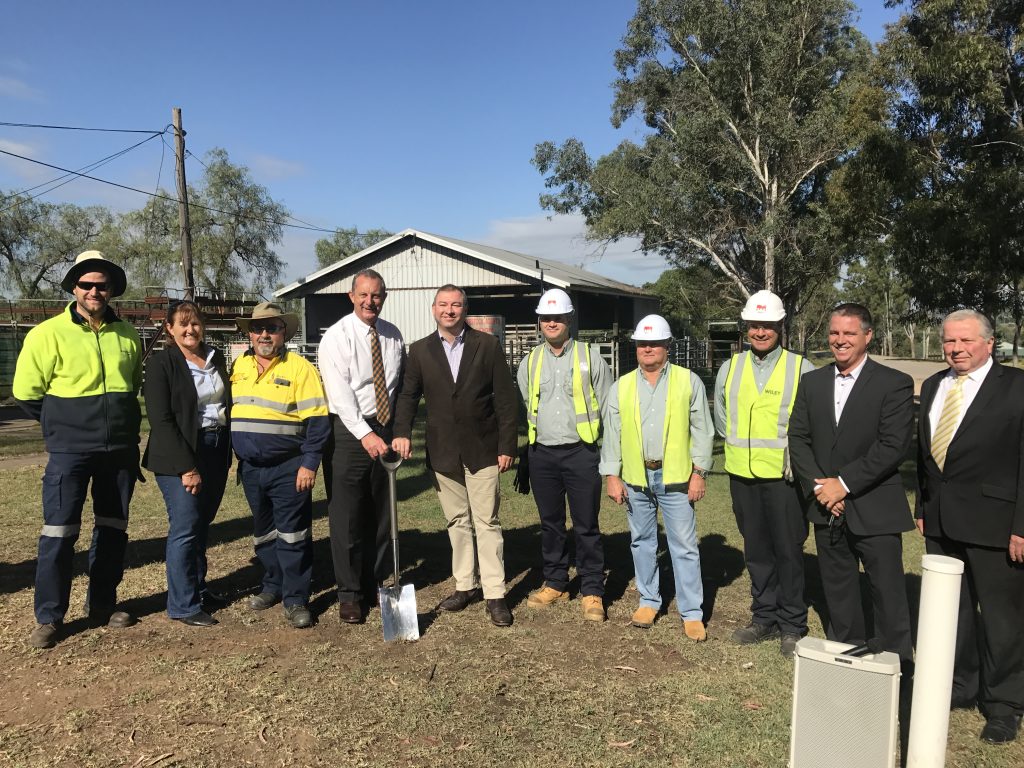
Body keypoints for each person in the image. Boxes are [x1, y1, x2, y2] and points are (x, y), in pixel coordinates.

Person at [13, 250, 142, 649]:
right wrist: (62, 426)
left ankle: (103, 605)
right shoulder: (46, 334)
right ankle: (50, 617)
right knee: (59, 532)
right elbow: (25, 393)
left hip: (118, 451)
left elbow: (132, 386)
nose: (93, 291)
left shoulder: (128, 334)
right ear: (74, 288)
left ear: (111, 290)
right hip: (70, 452)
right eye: (86, 284)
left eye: (101, 285)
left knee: (112, 528)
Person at [916, 309, 1024, 744]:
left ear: (989, 342)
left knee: (1002, 620)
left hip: (998, 525)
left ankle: (1004, 704)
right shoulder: (934, 385)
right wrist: (925, 506)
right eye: (948, 342)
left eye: (965, 341)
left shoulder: (1016, 388)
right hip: (942, 522)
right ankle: (961, 685)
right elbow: (926, 455)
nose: (955, 349)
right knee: (952, 615)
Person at [788, 303, 914, 668]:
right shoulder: (812, 382)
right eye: (834, 333)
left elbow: (892, 446)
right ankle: (848, 659)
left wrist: (843, 484)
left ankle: (896, 664)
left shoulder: (894, 383)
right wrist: (821, 489)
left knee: (887, 591)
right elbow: (798, 438)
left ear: (867, 336)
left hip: (874, 506)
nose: (840, 340)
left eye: (849, 333)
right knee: (839, 589)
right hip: (826, 506)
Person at [392, 285, 518, 627]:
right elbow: (407, 396)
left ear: (465, 309)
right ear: (434, 309)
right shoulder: (419, 350)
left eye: (457, 305)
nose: (450, 310)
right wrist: (402, 431)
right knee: (457, 521)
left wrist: (507, 445)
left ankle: (495, 594)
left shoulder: (487, 345)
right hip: (443, 450)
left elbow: (505, 400)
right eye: (444, 305)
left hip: (483, 449)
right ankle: (464, 585)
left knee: (488, 521)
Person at [600, 314, 714, 641]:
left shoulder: (687, 381)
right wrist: (612, 475)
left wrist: (699, 473)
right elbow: (613, 435)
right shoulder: (621, 387)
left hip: (676, 477)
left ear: (667, 346)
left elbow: (703, 431)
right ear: (635, 347)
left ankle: (691, 613)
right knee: (641, 541)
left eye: (654, 343)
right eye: (642, 344)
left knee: (684, 546)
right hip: (636, 478)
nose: (647, 348)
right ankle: (649, 600)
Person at [713, 290, 814, 657]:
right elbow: (722, 418)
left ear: (779, 326)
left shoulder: (802, 368)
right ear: (746, 327)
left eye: (767, 325)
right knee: (755, 550)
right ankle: (763, 618)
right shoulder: (730, 366)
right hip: (742, 474)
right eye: (754, 325)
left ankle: (792, 624)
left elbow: (812, 425)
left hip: (784, 479)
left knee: (788, 550)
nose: (760, 332)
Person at [230, 302, 330, 629]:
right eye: (259, 328)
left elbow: (318, 421)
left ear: (283, 332)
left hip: (290, 467)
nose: (264, 334)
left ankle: (296, 598)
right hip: (251, 469)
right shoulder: (238, 367)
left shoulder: (300, 368)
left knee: (293, 534)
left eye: (272, 328)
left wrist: (309, 464)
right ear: (250, 333)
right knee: (264, 534)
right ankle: (272, 585)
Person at [517, 288, 613, 621]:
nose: (552, 323)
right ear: (540, 322)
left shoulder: (591, 358)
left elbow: (609, 406)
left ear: (569, 320)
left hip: (581, 453)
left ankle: (591, 590)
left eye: (558, 317)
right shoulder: (530, 362)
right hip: (542, 455)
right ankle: (556, 581)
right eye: (546, 318)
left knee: (586, 525)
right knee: (551, 524)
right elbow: (527, 405)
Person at [319, 269, 405, 624]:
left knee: (382, 514)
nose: (371, 302)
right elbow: (339, 393)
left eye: (377, 295)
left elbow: (398, 388)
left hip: (383, 426)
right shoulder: (336, 337)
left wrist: (393, 431)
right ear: (351, 296)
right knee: (348, 516)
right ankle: (350, 593)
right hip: (348, 430)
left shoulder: (394, 336)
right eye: (364, 295)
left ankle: (375, 583)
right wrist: (365, 434)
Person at [143, 300, 232, 627]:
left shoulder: (215, 358)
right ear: (169, 328)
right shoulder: (161, 364)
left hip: (215, 449)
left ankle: (198, 587)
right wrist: (187, 467)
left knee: (200, 524)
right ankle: (182, 604)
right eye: (182, 323)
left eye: (195, 323)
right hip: (181, 455)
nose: (190, 329)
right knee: (185, 526)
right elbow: (162, 420)